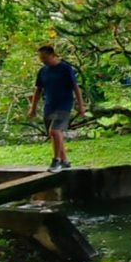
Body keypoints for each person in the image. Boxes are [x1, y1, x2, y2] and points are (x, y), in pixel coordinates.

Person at [28, 45, 86, 173]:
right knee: (53, 134)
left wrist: (81, 105)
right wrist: (33, 108)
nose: (42, 60)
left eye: (44, 57)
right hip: (49, 105)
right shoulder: (43, 71)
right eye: (40, 58)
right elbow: (38, 90)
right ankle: (65, 161)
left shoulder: (65, 68)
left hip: (64, 104)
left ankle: (56, 161)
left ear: (53, 55)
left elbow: (75, 87)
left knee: (55, 131)